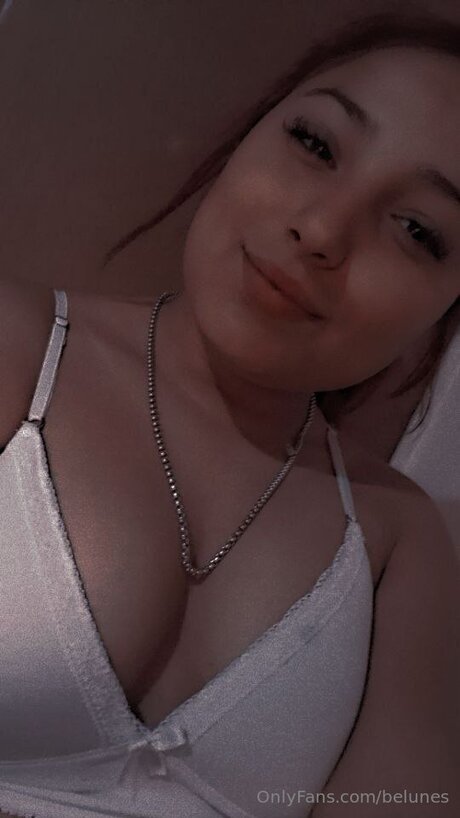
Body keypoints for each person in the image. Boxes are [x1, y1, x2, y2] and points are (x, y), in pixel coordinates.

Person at [0, 11, 459, 818]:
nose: (321, 231)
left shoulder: (398, 543)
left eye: (418, 230)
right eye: (314, 143)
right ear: (247, 136)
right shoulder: (18, 348)